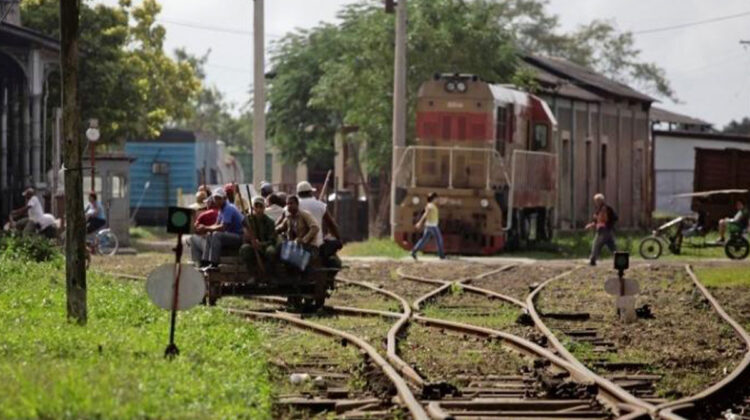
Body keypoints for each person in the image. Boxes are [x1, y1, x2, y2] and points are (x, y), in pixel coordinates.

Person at [189, 188, 244, 271]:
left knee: (216, 234)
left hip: (238, 237)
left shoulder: (228, 208)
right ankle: (205, 262)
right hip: (229, 235)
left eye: (219, 198)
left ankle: (214, 264)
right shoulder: (221, 209)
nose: (217, 201)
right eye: (215, 198)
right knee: (210, 234)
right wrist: (206, 229)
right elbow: (216, 225)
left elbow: (223, 227)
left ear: (224, 198)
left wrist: (206, 228)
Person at [239, 196, 280, 275]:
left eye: (260, 207)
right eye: (256, 206)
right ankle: (252, 273)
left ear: (264, 208)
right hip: (252, 246)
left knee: (271, 251)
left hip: (265, 246)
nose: (258, 209)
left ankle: (270, 274)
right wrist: (250, 240)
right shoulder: (248, 219)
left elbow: (272, 240)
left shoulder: (270, 222)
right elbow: (244, 232)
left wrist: (260, 244)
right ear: (253, 208)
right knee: (244, 249)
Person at [585, 193, 618, 266]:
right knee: (612, 247)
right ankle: (620, 259)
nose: (595, 202)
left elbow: (602, 220)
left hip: (603, 230)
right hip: (609, 230)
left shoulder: (603, 209)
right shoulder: (605, 208)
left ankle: (592, 260)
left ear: (600, 201)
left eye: (596, 201)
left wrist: (592, 225)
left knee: (596, 245)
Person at [411, 192, 445, 260]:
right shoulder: (430, 206)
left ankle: (414, 251)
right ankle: (441, 255)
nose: (437, 200)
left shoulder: (431, 205)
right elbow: (425, 214)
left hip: (429, 225)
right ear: (434, 199)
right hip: (433, 226)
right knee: (439, 239)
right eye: (436, 198)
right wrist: (419, 222)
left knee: (424, 240)